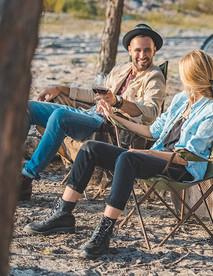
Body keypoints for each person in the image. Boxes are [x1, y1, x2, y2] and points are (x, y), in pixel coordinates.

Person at [23, 50, 213, 259]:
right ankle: (63, 214)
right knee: (91, 148)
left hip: (181, 168)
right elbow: (152, 131)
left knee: (128, 158)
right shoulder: (182, 100)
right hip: (157, 156)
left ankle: (104, 233)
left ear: (191, 76)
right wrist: (114, 117)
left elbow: (187, 156)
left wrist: (145, 152)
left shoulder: (210, 111)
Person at [20, 24, 166, 201]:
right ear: (129, 50)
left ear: (155, 51)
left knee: (59, 117)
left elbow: (151, 112)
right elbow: (95, 95)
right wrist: (61, 89)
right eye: (138, 50)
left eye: (147, 50)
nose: (142, 56)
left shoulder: (154, 76)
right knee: (29, 107)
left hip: (109, 126)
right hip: (90, 113)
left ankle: (26, 177)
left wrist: (118, 102)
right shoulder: (121, 69)